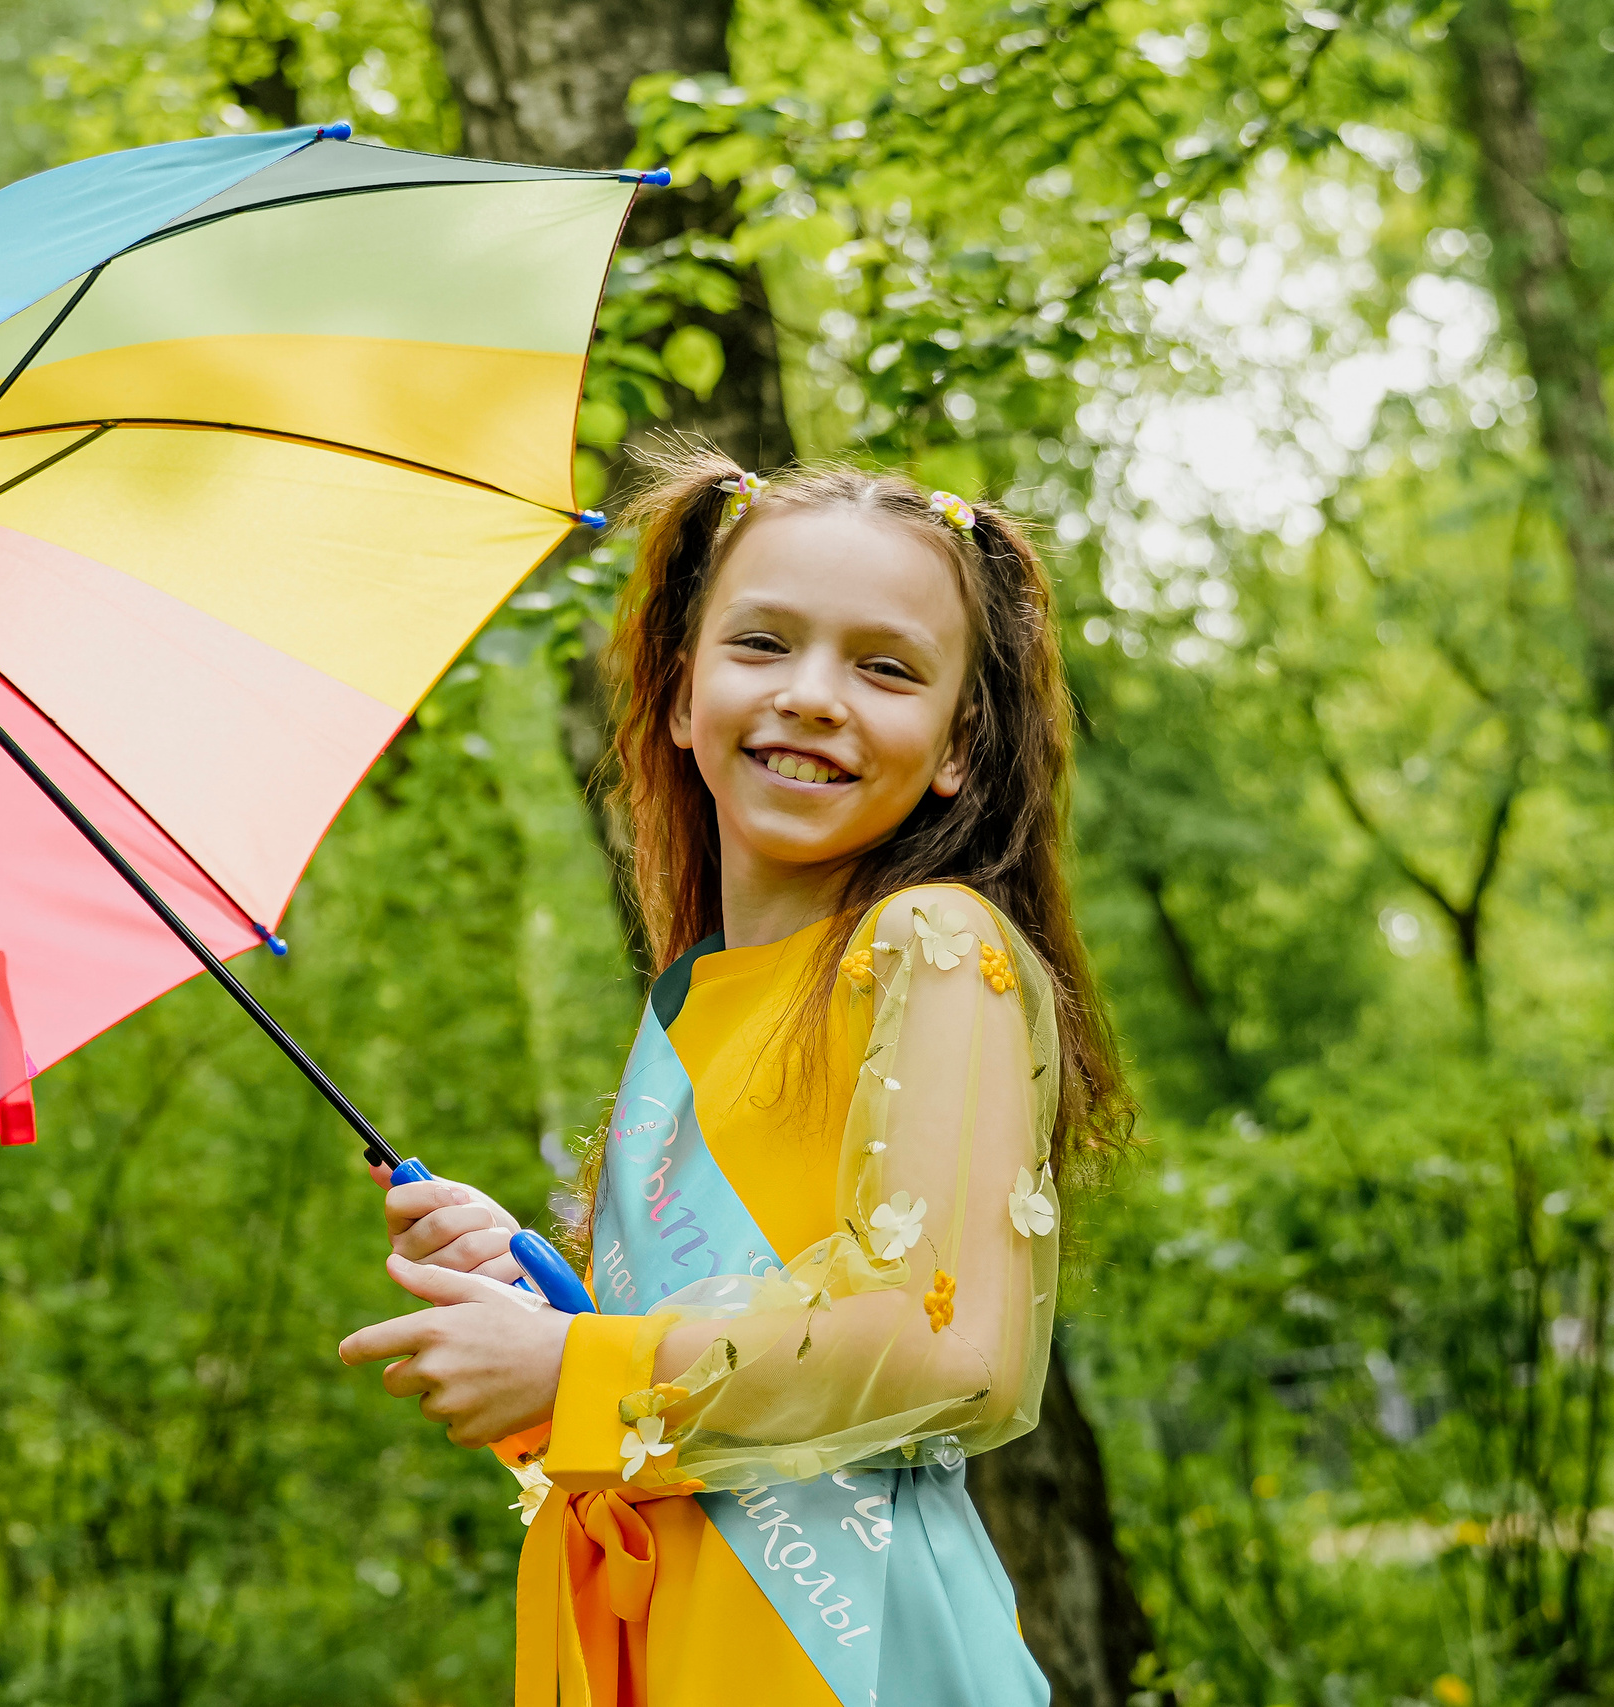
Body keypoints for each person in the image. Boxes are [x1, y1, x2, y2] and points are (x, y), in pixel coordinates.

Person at [337, 452, 1132, 1705]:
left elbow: (948, 1348)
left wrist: (575, 1370)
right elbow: (698, 1372)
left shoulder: (927, 942)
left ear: (958, 746)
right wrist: (536, 1307)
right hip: (674, 1635)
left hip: (846, 1651)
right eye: (762, 644)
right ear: (677, 694)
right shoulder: (693, 1000)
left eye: (885, 668)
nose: (810, 696)